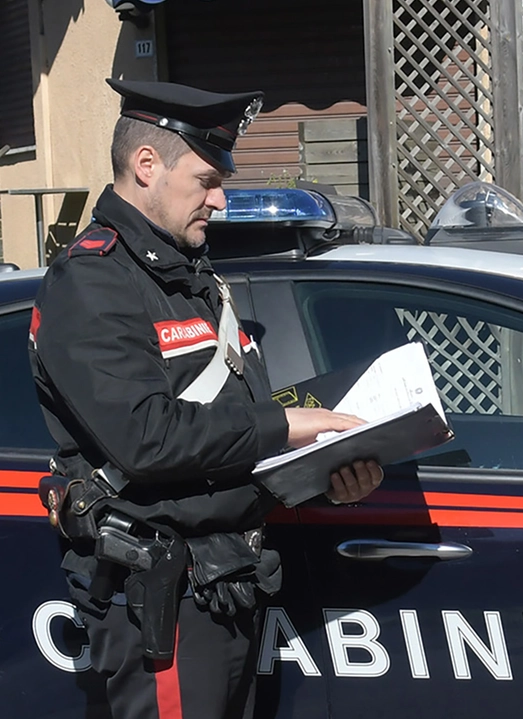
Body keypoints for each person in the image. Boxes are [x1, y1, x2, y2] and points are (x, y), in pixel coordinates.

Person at [28, 79, 384, 719]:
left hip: (227, 584)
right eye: (205, 179)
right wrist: (283, 427)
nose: (219, 199)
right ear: (146, 167)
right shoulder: (93, 282)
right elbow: (148, 439)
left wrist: (325, 474)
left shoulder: (190, 278)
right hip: (161, 605)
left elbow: (225, 439)